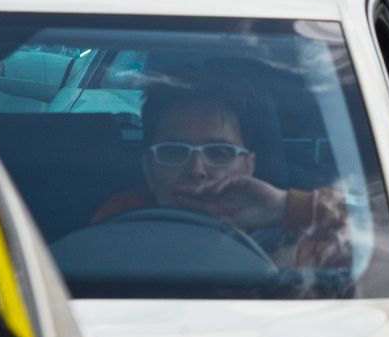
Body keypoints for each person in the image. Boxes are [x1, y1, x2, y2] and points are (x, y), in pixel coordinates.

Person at [94, 80, 350, 270]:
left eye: (219, 152)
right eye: (173, 152)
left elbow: (382, 230)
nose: (197, 170)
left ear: (249, 166)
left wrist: (285, 207)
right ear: (148, 168)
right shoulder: (121, 222)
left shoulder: (299, 242)